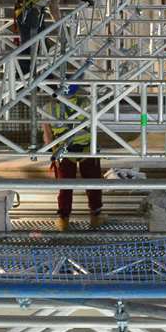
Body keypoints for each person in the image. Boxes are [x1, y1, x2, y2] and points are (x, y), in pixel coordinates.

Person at [12, 0, 94, 69]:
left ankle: (35, 76)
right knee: (29, 46)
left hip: (37, 13)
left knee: (42, 44)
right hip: (27, 11)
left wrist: (62, 27)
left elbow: (54, 7)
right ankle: (22, 80)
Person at [43, 81, 103, 230]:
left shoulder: (48, 108)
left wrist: (54, 154)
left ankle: (64, 220)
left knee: (65, 186)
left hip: (63, 152)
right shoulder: (88, 104)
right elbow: (96, 127)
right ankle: (95, 217)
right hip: (87, 150)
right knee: (94, 184)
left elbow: (47, 136)